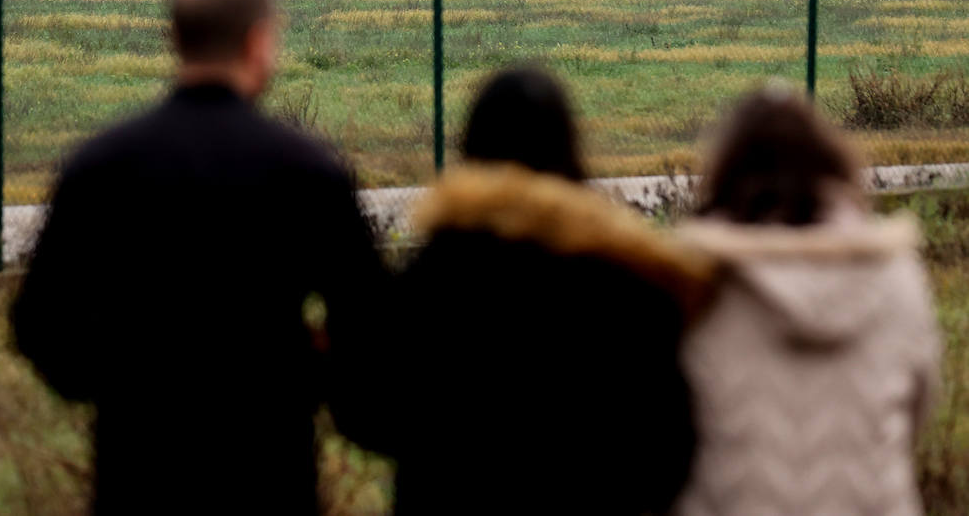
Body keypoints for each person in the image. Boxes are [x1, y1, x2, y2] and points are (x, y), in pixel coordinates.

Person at [12, 0, 387, 516]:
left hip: (138, 467)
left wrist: (124, 380)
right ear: (259, 42)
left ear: (176, 39)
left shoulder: (101, 165)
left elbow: (40, 321)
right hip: (267, 466)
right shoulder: (308, 170)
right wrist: (300, 378)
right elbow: (368, 327)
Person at [377, 67, 713, 515]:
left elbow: (373, 411)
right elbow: (674, 443)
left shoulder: (433, 276)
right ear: (571, 150)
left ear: (471, 150)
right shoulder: (631, 282)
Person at [672, 87, 939, 516]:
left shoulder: (693, 280)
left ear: (724, 172)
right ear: (833, 166)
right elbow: (918, 409)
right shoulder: (897, 278)